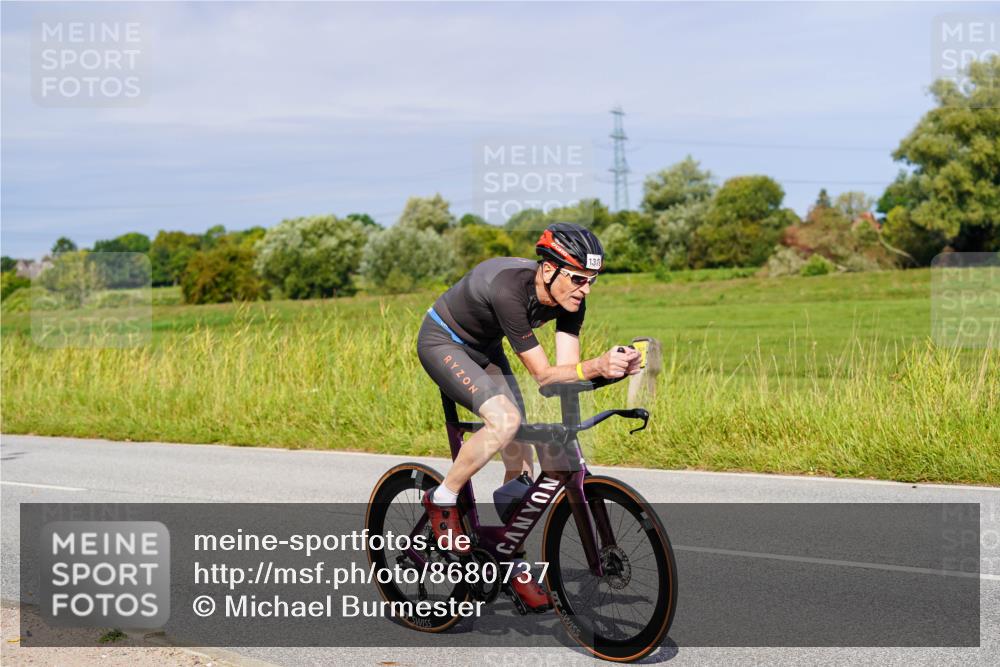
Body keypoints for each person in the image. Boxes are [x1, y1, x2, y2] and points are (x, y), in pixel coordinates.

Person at [415, 222, 642, 611]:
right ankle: (442, 497)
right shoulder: (509, 291)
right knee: (504, 421)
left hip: (484, 348)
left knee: (519, 456)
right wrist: (596, 365)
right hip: (443, 342)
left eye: (592, 281)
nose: (585, 290)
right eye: (577, 279)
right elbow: (542, 375)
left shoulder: (572, 301)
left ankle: (505, 556)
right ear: (549, 269)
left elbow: (564, 376)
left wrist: (609, 370)